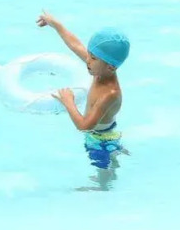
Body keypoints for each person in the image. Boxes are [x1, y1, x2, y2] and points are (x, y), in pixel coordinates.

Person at [36, 12, 128, 170]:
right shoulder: (101, 70)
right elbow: (75, 44)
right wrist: (55, 24)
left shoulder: (109, 94)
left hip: (101, 140)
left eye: (93, 58)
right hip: (101, 134)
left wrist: (68, 102)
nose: (88, 60)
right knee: (109, 164)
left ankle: (103, 189)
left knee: (102, 172)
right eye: (89, 55)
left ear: (111, 66)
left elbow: (84, 126)